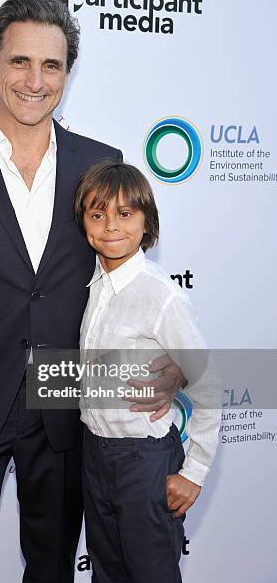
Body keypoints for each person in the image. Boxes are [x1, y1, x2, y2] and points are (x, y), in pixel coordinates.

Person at [0, 0, 184, 583]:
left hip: (64, 407)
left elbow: (122, 291)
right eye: (19, 62)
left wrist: (167, 368)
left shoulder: (99, 164)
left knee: (53, 568)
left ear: (67, 74)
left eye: (51, 66)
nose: (35, 81)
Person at [73, 159, 221, 583]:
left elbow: (208, 385)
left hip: (145, 458)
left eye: (125, 214)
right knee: (107, 572)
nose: (110, 226)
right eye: (97, 214)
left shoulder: (161, 296)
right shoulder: (92, 285)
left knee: (151, 572)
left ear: (145, 221)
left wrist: (193, 473)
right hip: (95, 454)